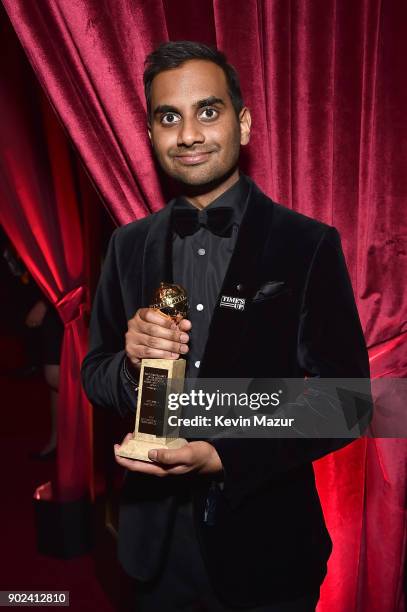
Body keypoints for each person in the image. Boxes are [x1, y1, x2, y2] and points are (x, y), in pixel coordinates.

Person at [81, 41, 371, 611]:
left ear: (242, 125)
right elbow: (95, 375)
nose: (188, 133)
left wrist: (225, 451)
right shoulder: (127, 245)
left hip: (267, 547)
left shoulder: (306, 245)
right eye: (169, 117)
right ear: (149, 133)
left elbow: (351, 402)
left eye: (207, 111)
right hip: (154, 551)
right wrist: (129, 364)